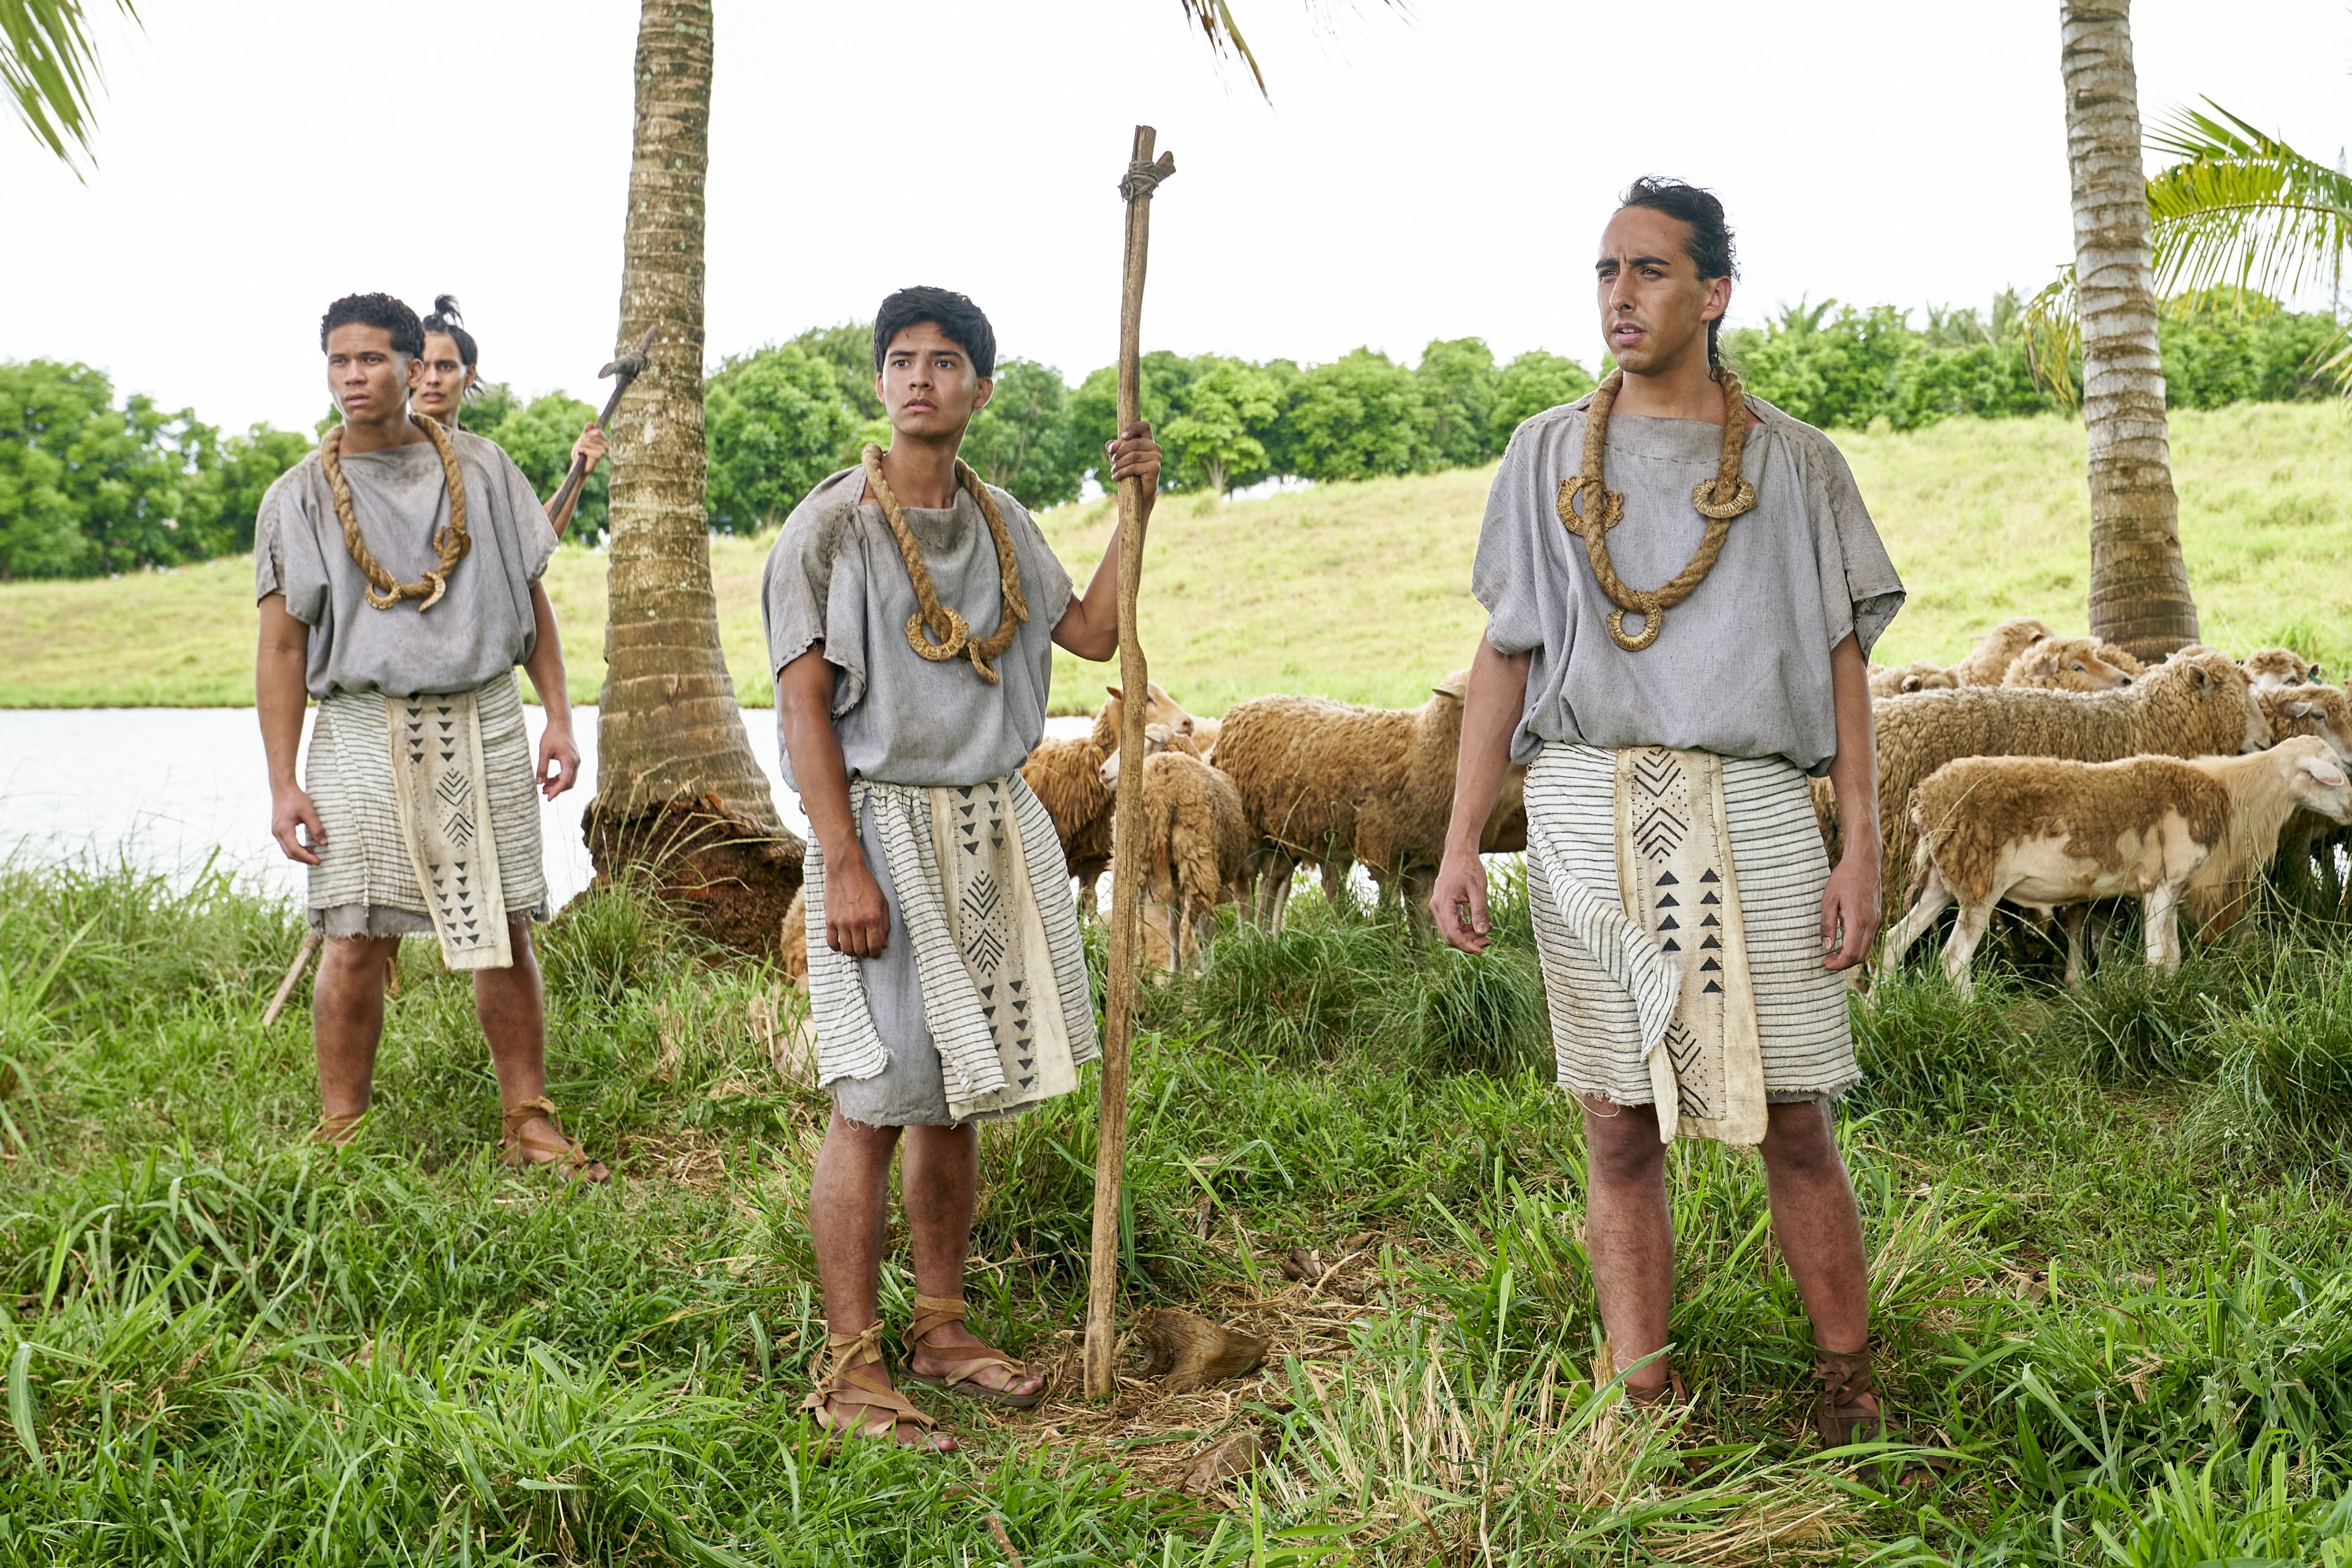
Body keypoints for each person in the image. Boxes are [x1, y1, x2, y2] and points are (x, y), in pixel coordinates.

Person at [1429, 179, 1907, 1457]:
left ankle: (1850, 1376)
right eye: (1605, 271)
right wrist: (1463, 835)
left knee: (1794, 1109)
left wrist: (1860, 845)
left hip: (1752, 798)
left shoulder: (1796, 463)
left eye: (1648, 271)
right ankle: (1640, 1393)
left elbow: (1845, 659)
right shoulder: (1546, 453)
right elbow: (1506, 653)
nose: (1620, 296)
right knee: (1614, 1115)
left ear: (1714, 294)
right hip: (1586, 797)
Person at [763, 286, 1159, 1451]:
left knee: (956, 1096)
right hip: (880, 830)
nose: (921, 378)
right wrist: (842, 862)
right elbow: (802, 711)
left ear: (981, 391)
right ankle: (849, 1368)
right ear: (881, 384)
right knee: (875, 1099)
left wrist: (1136, 505)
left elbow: (1089, 632)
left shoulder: (1001, 523)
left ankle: (940, 1326)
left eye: (946, 362)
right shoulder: (829, 527)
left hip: (990, 824)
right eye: (901, 360)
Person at [255, 291, 608, 1180]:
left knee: (503, 930)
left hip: (482, 711)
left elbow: (531, 606)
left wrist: (559, 716)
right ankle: (344, 1128)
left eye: (371, 359)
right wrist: (282, 782)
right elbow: (282, 645)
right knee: (352, 934)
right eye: (339, 360)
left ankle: (528, 1117)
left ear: (416, 370)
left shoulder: (482, 470)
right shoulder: (297, 496)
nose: (352, 377)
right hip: (360, 723)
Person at [412, 294, 609, 536]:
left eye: (446, 366)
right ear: (409, 373)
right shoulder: (379, 454)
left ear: (470, 374)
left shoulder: (488, 460)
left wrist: (577, 474)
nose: (432, 379)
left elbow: (534, 540)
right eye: (423, 366)